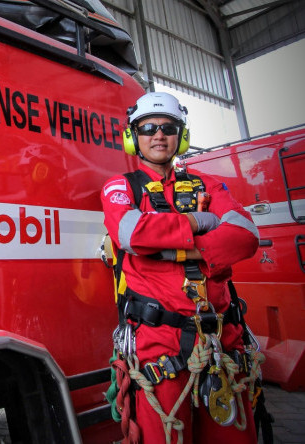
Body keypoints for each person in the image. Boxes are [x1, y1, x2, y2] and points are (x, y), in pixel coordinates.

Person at [101, 92, 261, 443]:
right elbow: (131, 232)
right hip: (158, 343)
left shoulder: (208, 184)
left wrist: (181, 251)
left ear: (181, 135)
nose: (159, 135)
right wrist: (201, 221)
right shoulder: (121, 187)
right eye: (149, 128)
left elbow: (247, 235)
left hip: (222, 339)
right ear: (134, 137)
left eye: (169, 127)